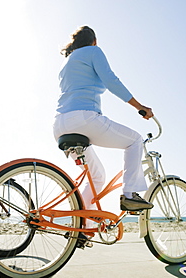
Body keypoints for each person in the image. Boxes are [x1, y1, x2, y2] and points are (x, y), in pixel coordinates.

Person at [53, 26, 154, 220]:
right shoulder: (93, 51)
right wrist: (139, 107)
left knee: (96, 176)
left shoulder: (67, 63)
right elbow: (111, 80)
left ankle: (82, 226)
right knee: (135, 140)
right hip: (84, 119)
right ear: (94, 41)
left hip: (60, 125)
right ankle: (130, 195)